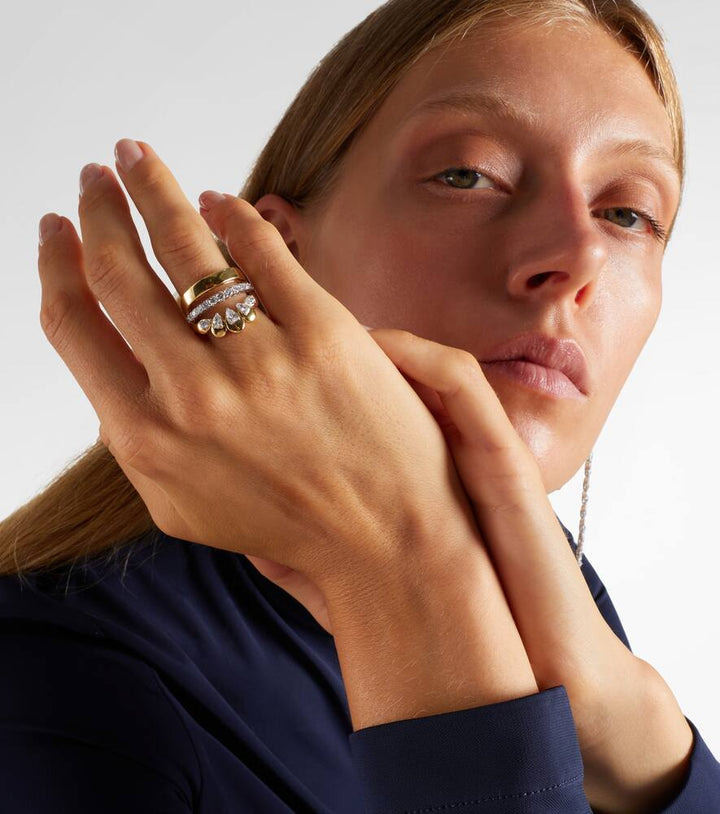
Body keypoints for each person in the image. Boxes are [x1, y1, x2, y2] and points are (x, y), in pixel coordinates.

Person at [1, 0, 718, 810]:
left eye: (627, 213)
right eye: (468, 175)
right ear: (279, 255)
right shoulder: (52, 692)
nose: (579, 255)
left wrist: (646, 742)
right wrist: (407, 578)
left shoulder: (548, 581)